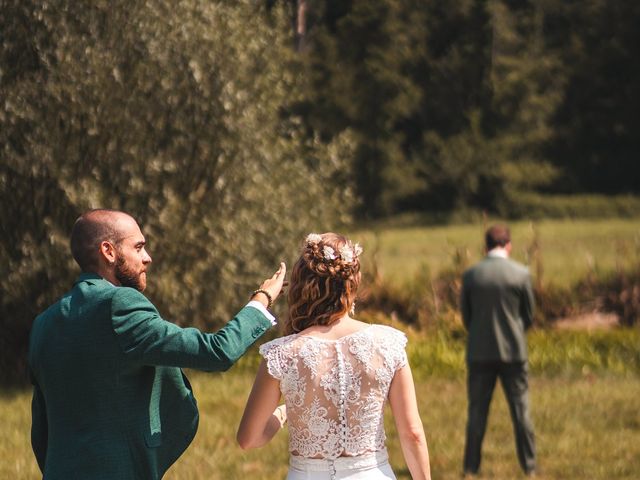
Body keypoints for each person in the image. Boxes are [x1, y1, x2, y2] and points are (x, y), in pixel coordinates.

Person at [28, 209, 286, 479]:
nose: (147, 258)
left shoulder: (43, 324)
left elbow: (41, 428)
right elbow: (216, 352)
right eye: (138, 247)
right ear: (108, 251)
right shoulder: (119, 305)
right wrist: (262, 299)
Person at [237, 232, 431, 480]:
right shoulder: (389, 344)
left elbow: (248, 439)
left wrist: (283, 413)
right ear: (352, 284)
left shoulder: (281, 354)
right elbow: (412, 433)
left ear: (301, 287)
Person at [460, 224, 536, 477]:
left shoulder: (471, 276)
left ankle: (471, 467)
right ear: (509, 245)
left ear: (486, 246)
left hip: (480, 352)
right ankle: (529, 466)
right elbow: (529, 315)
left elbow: (466, 317)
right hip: (514, 352)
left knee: (477, 413)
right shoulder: (521, 274)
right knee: (521, 411)